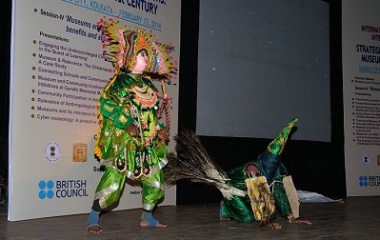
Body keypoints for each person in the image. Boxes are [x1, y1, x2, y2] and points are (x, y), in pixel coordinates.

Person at [87, 17, 177, 234]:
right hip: (125, 142)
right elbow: (106, 105)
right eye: (142, 54)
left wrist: (159, 131)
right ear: (129, 57)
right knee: (112, 186)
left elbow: (151, 115)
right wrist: (126, 123)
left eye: (147, 54)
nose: (146, 59)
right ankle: (93, 217)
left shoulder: (148, 85)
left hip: (147, 144)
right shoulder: (118, 83)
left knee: (156, 183)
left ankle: (147, 217)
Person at [165, 118, 311, 230]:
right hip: (233, 188)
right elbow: (260, 195)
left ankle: (237, 208)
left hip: (247, 191)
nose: (273, 166)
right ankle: (226, 208)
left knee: (263, 211)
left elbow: (278, 192)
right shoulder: (252, 170)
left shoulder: (277, 169)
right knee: (248, 218)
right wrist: (267, 221)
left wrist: (291, 216)